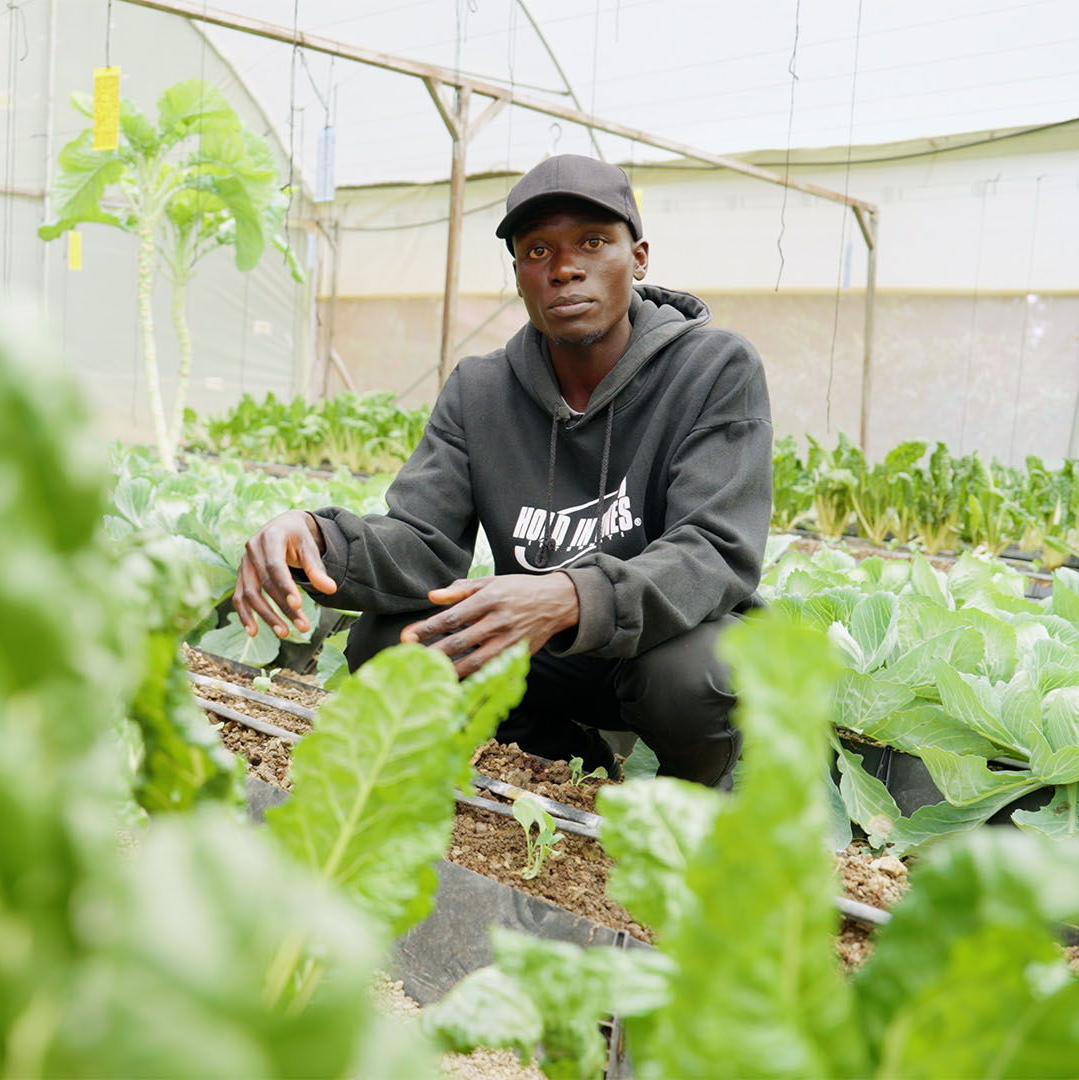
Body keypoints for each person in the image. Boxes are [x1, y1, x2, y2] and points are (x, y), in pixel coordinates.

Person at [232, 154, 772, 789]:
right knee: (393, 642)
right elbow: (422, 543)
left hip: (662, 642)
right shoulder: (481, 389)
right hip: (544, 653)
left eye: (593, 242)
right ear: (518, 275)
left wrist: (572, 595)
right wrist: (317, 537)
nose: (565, 268)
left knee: (690, 677)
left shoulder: (713, 368)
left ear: (640, 257)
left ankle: (704, 800)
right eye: (537, 251)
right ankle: (557, 769)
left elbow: (713, 551)